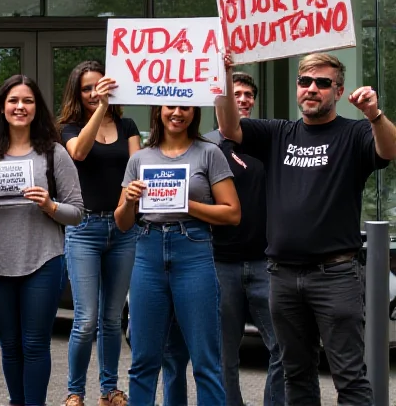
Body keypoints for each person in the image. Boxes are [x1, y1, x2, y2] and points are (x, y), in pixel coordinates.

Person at [215, 52, 396, 405]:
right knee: (296, 377)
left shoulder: (355, 132)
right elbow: (228, 128)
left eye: (323, 83)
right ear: (297, 88)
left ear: (338, 91)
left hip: (336, 275)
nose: (312, 89)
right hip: (282, 277)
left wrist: (375, 115)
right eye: (305, 82)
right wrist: (225, 75)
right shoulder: (278, 133)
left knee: (350, 378)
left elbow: (388, 149)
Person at [0, 75, 84, 406]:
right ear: (2, 108)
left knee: (35, 343)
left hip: (43, 261)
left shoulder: (54, 155)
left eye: (28, 101)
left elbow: (76, 212)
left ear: (37, 109)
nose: (20, 106)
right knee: (9, 344)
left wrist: (49, 205)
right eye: (13, 101)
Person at [116, 105, 240, 406]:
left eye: (185, 107)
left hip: (193, 249)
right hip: (147, 250)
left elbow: (232, 213)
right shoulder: (139, 158)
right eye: (170, 107)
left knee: (205, 361)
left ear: (194, 113)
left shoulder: (208, 153)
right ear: (158, 111)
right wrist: (129, 201)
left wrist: (187, 203)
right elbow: (122, 223)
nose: (177, 113)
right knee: (144, 360)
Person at [57, 61, 141, 406]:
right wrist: (102, 108)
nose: (94, 93)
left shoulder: (129, 125)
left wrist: (124, 211)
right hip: (84, 229)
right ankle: (75, 392)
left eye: (99, 87)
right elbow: (79, 152)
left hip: (122, 228)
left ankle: (109, 390)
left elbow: (136, 171)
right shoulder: (67, 127)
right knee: (85, 319)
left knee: (111, 318)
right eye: (87, 89)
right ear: (78, 93)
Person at [204, 71, 283, 406]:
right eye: (236, 93)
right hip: (220, 262)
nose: (245, 99)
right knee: (223, 355)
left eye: (249, 94)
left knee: (284, 347)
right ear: (222, 100)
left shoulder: (268, 141)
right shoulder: (206, 146)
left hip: (267, 262)